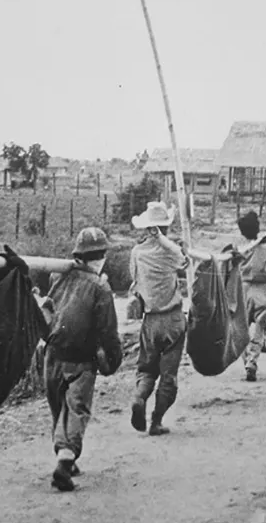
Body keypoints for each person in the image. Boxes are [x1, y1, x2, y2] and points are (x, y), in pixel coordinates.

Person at [42, 227, 123, 492]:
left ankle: (65, 455)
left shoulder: (58, 275)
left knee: (58, 407)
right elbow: (108, 330)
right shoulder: (100, 287)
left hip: (52, 355)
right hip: (81, 359)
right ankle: (64, 463)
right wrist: (114, 357)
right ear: (100, 257)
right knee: (76, 408)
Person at [128, 202, 190, 435]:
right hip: (173, 318)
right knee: (169, 374)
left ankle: (139, 396)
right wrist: (167, 241)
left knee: (146, 369)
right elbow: (184, 261)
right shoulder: (170, 252)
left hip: (150, 319)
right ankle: (156, 421)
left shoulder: (137, 252)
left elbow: (134, 282)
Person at [236, 211, 266, 381]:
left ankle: (246, 359)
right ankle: (252, 360)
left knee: (241, 329)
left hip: (243, 290)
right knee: (260, 327)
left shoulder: (239, 248)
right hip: (262, 289)